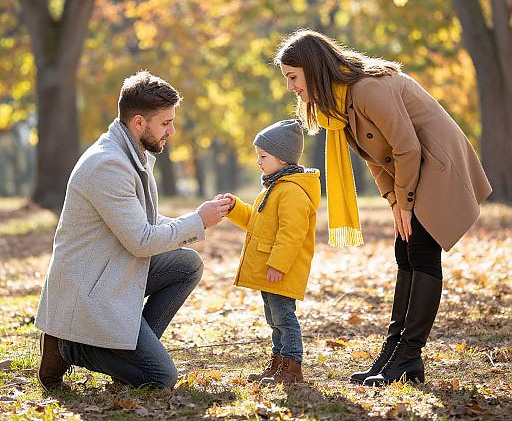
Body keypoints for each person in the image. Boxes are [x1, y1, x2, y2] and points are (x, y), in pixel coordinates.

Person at [274, 30, 492, 386]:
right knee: (404, 251)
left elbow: (406, 147)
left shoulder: (366, 90)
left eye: (293, 77)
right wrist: (394, 203)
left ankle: (408, 356)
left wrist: (405, 204)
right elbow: (376, 158)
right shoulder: (340, 105)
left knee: (421, 251)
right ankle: (394, 353)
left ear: (313, 70)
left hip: (435, 163)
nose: (290, 88)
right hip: (412, 169)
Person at [35, 71, 232, 391]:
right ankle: (68, 346)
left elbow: (144, 222)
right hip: (89, 290)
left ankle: (126, 356)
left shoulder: (132, 153)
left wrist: (197, 218)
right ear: (139, 122)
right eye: (166, 122)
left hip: (111, 270)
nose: (172, 130)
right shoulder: (108, 165)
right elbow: (141, 241)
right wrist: (198, 220)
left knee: (187, 264)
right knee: (161, 378)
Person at [220, 120, 320, 384]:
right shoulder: (274, 187)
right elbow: (257, 223)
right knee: (274, 319)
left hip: (280, 270)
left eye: (263, 156)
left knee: (285, 319)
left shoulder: (292, 192)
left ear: (283, 159)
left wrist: (278, 264)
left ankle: (292, 367)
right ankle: (278, 363)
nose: (258, 162)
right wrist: (235, 208)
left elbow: (292, 233)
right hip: (271, 269)